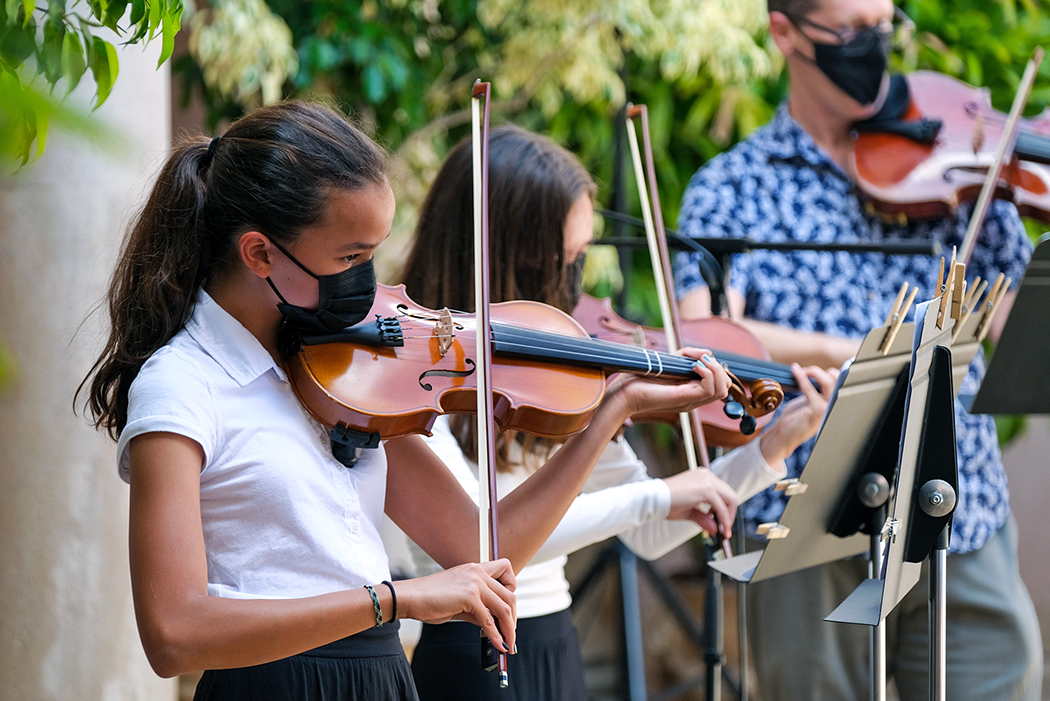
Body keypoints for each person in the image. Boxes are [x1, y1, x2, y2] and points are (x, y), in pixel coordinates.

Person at [77, 101, 739, 701]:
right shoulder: (182, 383)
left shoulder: (345, 372)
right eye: (351, 256)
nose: (372, 284)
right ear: (259, 253)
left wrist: (607, 414)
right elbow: (174, 632)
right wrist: (395, 599)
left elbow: (485, 543)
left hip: (381, 678)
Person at [673, 1, 1044, 699]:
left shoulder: (958, 165)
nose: (874, 48)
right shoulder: (733, 187)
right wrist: (855, 352)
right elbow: (707, 336)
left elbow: (1020, 326)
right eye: (852, 32)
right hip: (810, 503)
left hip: (957, 496)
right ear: (785, 33)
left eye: (884, 26)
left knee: (1006, 677)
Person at [399, 125, 837, 701]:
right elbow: (483, 540)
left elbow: (653, 533)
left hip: (554, 637)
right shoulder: (411, 370)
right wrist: (652, 483)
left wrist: (772, 446)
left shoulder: (555, 375)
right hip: (462, 653)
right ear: (514, 256)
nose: (573, 287)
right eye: (568, 260)